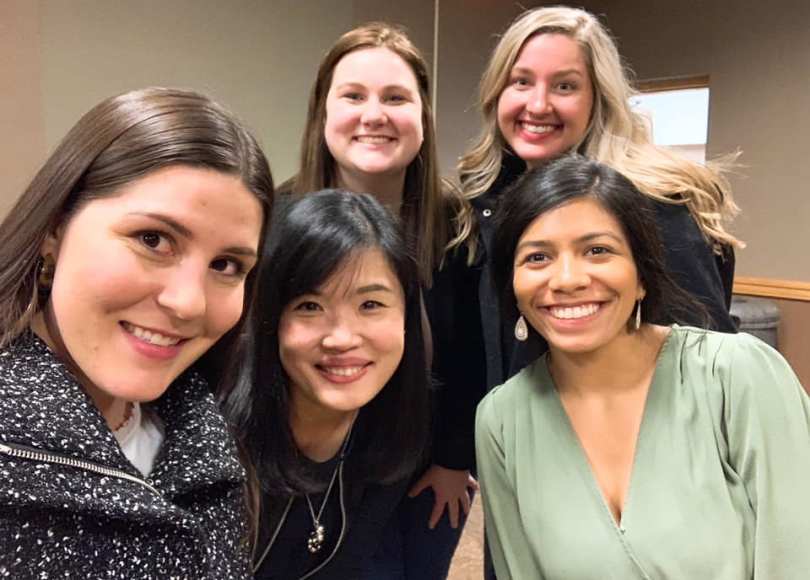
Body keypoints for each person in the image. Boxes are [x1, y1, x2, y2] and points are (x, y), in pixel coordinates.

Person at [476, 155, 810, 579]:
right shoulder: (502, 420)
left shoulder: (737, 376)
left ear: (641, 276)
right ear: (512, 285)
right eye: (537, 258)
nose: (566, 279)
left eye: (597, 250)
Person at [0, 87, 273, 579]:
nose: (189, 302)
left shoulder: (202, 427)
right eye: (153, 239)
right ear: (55, 228)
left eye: (227, 264)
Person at [454, 5, 742, 395]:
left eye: (564, 86)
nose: (538, 105)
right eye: (521, 82)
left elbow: (708, 369)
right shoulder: (483, 205)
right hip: (514, 440)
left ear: (597, 98)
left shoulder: (653, 206)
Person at [284, 22, 475, 578]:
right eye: (353, 96)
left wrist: (452, 458)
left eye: (396, 98)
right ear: (324, 112)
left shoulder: (458, 226)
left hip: (423, 467)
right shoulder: (278, 220)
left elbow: (470, 352)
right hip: (311, 466)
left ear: (423, 118)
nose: (375, 114)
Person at [221, 191, 431, 579]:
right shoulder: (218, 444)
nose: (341, 338)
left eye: (370, 305)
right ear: (271, 319)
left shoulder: (390, 430)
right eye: (309, 307)